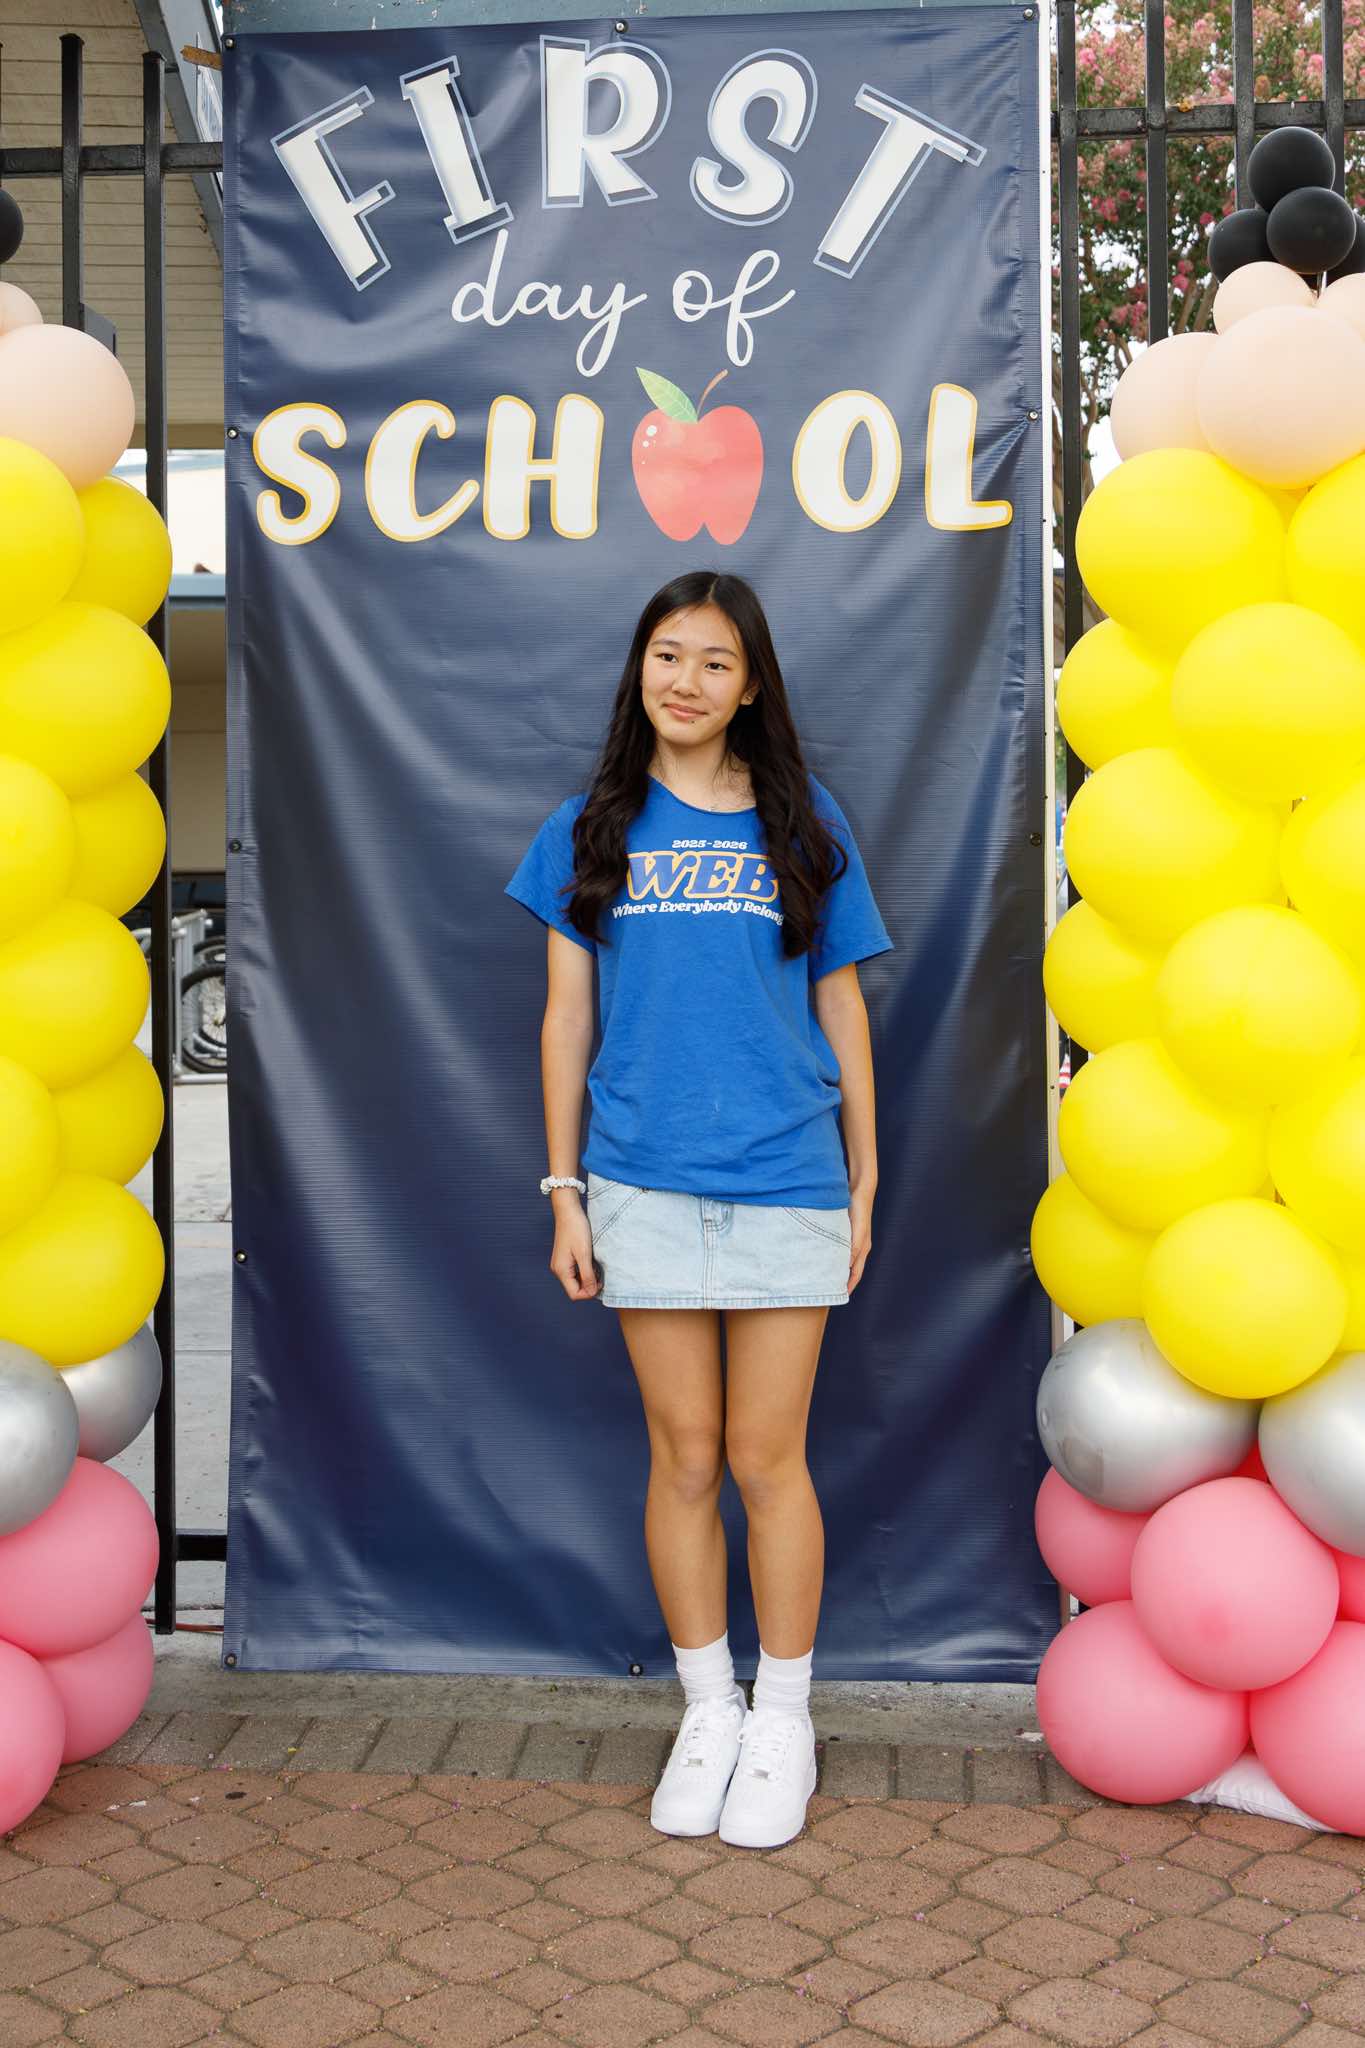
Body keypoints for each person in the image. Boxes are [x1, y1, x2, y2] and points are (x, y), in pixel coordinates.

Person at [504, 568, 894, 1850]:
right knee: (682, 1455)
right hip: (640, 1180)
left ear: (752, 684)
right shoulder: (588, 828)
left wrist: (865, 1173)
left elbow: (841, 1000)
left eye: (715, 660)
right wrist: (564, 1189)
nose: (687, 679)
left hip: (787, 1178)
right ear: (641, 669)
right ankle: (709, 1709)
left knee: (767, 1459)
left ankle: (784, 1716)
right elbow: (566, 1021)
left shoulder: (805, 822)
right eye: (668, 654)